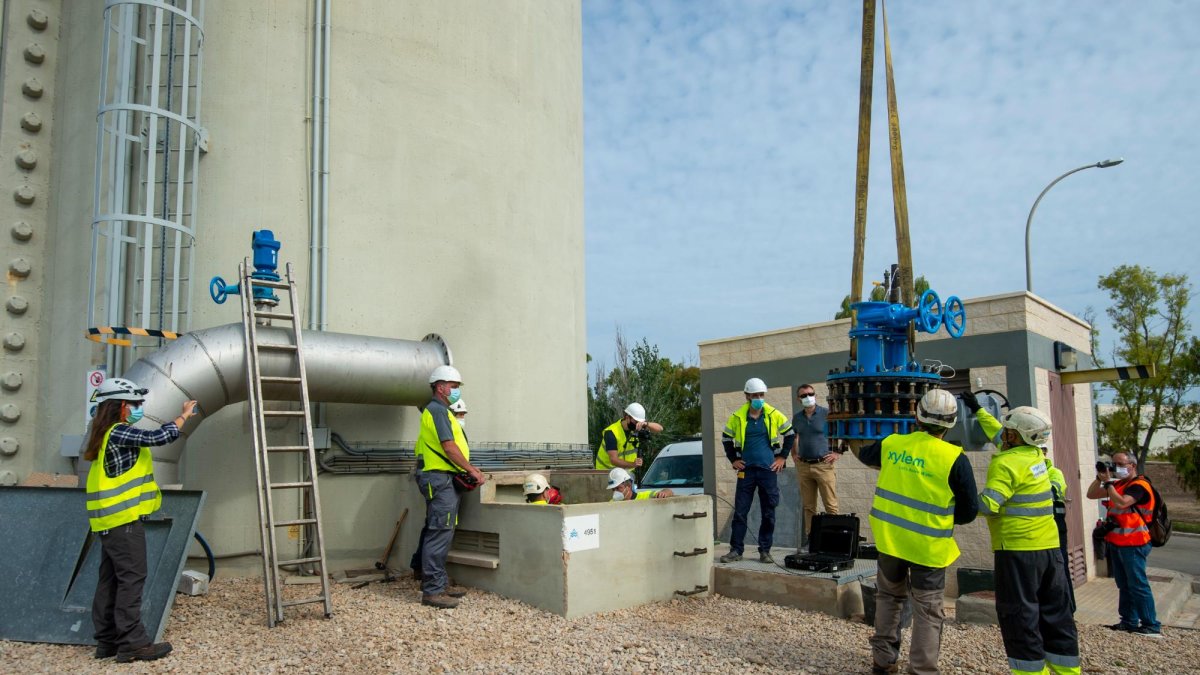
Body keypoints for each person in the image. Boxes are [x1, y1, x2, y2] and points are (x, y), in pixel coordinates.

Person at [853, 388, 978, 675]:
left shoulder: (892, 444)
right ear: (951, 423)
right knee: (927, 609)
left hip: (891, 542)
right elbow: (969, 511)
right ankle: (922, 669)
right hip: (928, 548)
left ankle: (883, 662)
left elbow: (865, 454)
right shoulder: (954, 459)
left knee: (888, 598)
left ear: (917, 417)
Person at [84, 377, 197, 662]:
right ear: (120, 406)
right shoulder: (119, 432)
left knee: (110, 581)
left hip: (109, 523)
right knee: (131, 581)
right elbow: (159, 437)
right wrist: (184, 415)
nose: (139, 408)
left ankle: (107, 642)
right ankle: (133, 644)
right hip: (123, 522)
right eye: (135, 403)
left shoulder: (104, 434)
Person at [979, 407, 1080, 674]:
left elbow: (989, 504)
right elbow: (1002, 433)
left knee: (1020, 617)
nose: (1004, 434)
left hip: (1016, 551)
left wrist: (958, 502)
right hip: (1049, 551)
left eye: (1008, 431)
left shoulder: (1005, 463)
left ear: (1015, 436)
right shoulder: (1038, 457)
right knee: (1057, 617)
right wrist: (978, 411)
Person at [415, 365, 486, 609]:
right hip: (439, 479)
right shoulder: (436, 411)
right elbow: (449, 447)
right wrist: (472, 470)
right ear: (440, 386)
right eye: (454, 387)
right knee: (440, 531)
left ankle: (437, 582)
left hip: (442, 478)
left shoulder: (440, 411)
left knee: (439, 529)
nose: (456, 391)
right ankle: (433, 591)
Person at [1087, 450, 1162, 637]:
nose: (1116, 468)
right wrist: (1100, 478)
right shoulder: (1117, 484)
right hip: (1118, 541)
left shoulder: (1140, 486)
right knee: (1124, 584)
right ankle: (1128, 621)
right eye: (1114, 464)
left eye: (1120, 464)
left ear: (1132, 465)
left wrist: (1109, 483)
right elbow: (1090, 494)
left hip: (1135, 542)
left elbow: (1121, 503)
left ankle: (1150, 624)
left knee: (1138, 584)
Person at [719, 377, 795, 564]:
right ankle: (736, 550)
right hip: (746, 471)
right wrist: (734, 459)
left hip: (768, 470)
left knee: (769, 511)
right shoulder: (737, 417)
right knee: (740, 512)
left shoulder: (773, 414)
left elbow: (790, 434)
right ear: (747, 396)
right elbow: (726, 438)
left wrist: (782, 457)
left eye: (761, 395)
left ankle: (765, 551)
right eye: (755, 395)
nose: (759, 398)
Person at [791, 383, 840, 546]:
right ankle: (812, 539)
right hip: (804, 466)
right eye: (803, 395)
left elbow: (841, 431)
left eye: (810, 394)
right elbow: (793, 436)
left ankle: (834, 541)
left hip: (823, 465)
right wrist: (794, 453)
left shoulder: (827, 414)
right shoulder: (797, 418)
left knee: (830, 505)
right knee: (809, 507)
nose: (807, 397)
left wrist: (837, 452)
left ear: (815, 395)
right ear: (799, 399)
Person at [1042, 445, 1076, 613]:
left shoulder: (1054, 473)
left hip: (1056, 525)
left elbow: (1052, 492)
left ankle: (1068, 608)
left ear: (1044, 453)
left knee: (1059, 565)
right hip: (1041, 526)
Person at [595, 402, 662, 472]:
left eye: (640, 422)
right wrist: (633, 464)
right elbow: (614, 460)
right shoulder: (611, 432)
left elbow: (660, 429)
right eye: (636, 421)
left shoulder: (637, 428)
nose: (638, 424)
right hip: (606, 473)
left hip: (625, 473)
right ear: (627, 418)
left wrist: (646, 424)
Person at [607, 467, 673, 500]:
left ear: (629, 486)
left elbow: (669, 491)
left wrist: (664, 493)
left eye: (618, 488)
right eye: (613, 489)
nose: (615, 492)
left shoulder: (645, 496)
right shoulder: (612, 503)